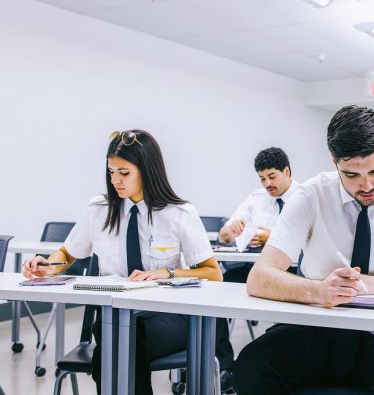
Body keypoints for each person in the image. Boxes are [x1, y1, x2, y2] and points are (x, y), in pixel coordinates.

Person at [233, 105, 374, 395]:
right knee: (251, 366)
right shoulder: (311, 195)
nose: (367, 185)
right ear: (334, 161)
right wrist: (319, 290)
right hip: (317, 324)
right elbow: (259, 277)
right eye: (351, 175)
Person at [22, 130, 223, 395]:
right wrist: (47, 266)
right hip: (114, 315)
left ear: (147, 170)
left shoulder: (179, 214)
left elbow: (213, 273)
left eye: (124, 173)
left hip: (167, 317)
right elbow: (67, 253)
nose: (115, 180)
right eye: (111, 172)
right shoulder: (99, 210)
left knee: (117, 342)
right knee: (115, 333)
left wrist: (167, 272)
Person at [214, 147, 298, 388]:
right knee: (218, 289)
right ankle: (225, 366)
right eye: (262, 178)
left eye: (272, 176)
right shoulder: (255, 199)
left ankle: (281, 362)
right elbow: (224, 235)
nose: (267, 183)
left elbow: (309, 240)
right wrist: (230, 232)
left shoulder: (305, 196)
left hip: (291, 270)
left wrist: (272, 238)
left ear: (286, 171)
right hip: (255, 268)